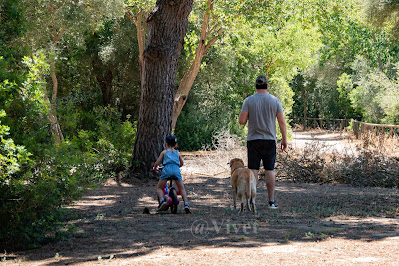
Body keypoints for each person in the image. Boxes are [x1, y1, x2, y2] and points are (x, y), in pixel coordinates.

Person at [238, 75, 288, 209]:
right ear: (267, 86)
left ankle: (251, 201)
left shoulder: (248, 101)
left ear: (256, 86)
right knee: (269, 170)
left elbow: (242, 121)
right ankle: (271, 201)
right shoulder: (275, 100)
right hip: (270, 140)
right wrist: (284, 139)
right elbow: (282, 122)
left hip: (253, 140)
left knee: (253, 170)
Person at [153, 135, 191, 213]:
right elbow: (182, 163)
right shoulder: (178, 153)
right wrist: (177, 166)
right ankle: (186, 204)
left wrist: (155, 167)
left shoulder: (164, 152)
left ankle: (162, 201)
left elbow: (157, 162)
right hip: (176, 170)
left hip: (167, 170)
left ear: (166, 143)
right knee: (181, 189)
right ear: (175, 144)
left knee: (159, 188)